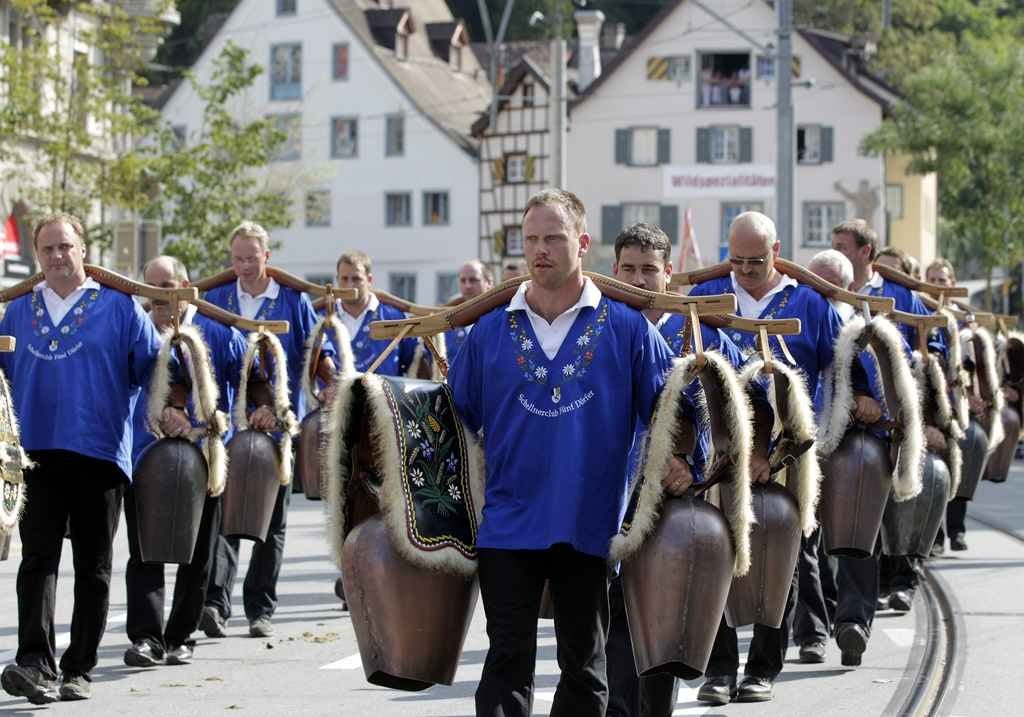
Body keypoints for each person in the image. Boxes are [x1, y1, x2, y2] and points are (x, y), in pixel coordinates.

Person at [448, 189, 696, 717]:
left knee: (584, 669)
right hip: (508, 524)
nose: (540, 249)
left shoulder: (628, 328)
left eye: (553, 238)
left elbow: (674, 406)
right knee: (506, 663)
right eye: (531, 238)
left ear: (582, 243)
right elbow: (454, 417)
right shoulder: (489, 330)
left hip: (590, 526)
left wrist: (681, 459)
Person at [0, 214, 182, 704]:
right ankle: (34, 662)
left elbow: (159, 369)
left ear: (83, 249)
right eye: (48, 250)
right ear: (38, 258)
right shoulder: (17, 310)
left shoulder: (120, 307)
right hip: (36, 453)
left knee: (93, 566)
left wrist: (178, 396)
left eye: (65, 247)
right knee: (36, 560)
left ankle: (78, 668)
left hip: (99, 452)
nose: (58, 257)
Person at [690, 212, 844, 704]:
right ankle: (719, 669)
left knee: (785, 556)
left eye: (756, 260)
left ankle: (764, 667)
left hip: (789, 453)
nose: (747, 270)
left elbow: (839, 369)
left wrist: (783, 448)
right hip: (720, 452)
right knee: (716, 554)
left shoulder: (812, 303)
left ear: (777, 251)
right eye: (737, 260)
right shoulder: (704, 298)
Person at [607, 222, 743, 717]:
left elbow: (730, 411)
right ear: (613, 272)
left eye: (649, 270)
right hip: (610, 494)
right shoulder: (596, 330)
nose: (640, 281)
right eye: (629, 270)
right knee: (612, 622)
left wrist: (692, 461)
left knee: (660, 622)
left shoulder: (703, 335)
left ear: (669, 274)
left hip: (673, 500)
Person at [199, 222, 335, 640]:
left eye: (250, 258)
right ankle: (214, 604)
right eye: (236, 258)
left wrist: (327, 388)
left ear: (266, 258)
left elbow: (317, 357)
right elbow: (201, 360)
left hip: (277, 426)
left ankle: (260, 608)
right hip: (227, 426)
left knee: (271, 521)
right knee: (224, 516)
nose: (242, 266)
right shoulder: (216, 300)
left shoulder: (292, 301)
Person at [122, 256, 248, 668]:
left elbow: (255, 377)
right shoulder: (137, 330)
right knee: (144, 551)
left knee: (197, 552)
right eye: (154, 287)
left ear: (186, 284)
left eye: (168, 285)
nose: (162, 296)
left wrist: (261, 409)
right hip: (144, 455)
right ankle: (146, 638)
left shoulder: (218, 330)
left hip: (203, 457)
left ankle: (181, 636)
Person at [926, 258, 971, 554]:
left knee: (970, 443)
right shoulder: (918, 314)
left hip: (956, 399)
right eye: (933, 280)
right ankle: (934, 535)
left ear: (951, 284)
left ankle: (957, 527)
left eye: (943, 280)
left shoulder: (964, 321)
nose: (938, 286)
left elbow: (968, 365)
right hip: (929, 399)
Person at [334, 250, 417, 374]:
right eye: (344, 278)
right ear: (337, 279)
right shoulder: (322, 319)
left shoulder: (393, 318)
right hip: (333, 394)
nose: (349, 285)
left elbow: (413, 363)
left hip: (382, 393)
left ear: (369, 279)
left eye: (356, 279)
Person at [444, 259, 494, 361]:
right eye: (463, 280)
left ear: (488, 282)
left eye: (473, 280)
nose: (467, 285)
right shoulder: (448, 323)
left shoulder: (501, 320)